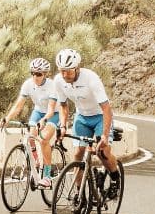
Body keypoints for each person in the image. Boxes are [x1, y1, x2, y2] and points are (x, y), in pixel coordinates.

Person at [46, 48, 120, 197]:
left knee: (102, 152)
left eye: (68, 71)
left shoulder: (91, 79)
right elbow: (64, 106)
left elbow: (106, 109)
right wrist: (62, 125)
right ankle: (79, 193)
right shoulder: (59, 81)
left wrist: (105, 135)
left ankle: (114, 178)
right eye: (62, 71)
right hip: (82, 117)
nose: (65, 74)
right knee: (78, 153)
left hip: (100, 116)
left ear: (77, 68)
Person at [2, 57, 61, 186]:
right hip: (38, 111)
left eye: (39, 74)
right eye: (33, 73)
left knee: (44, 139)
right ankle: (36, 163)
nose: (35, 76)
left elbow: (51, 110)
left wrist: (44, 120)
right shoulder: (28, 84)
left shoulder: (52, 86)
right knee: (30, 137)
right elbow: (18, 106)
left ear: (45, 74)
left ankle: (46, 175)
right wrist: (7, 118)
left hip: (53, 114)